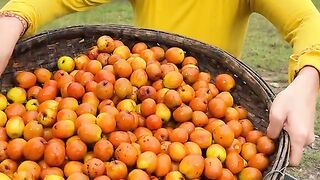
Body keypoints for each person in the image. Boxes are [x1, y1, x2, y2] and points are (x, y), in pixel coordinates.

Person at [0, 0, 319, 166]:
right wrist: (12, 21)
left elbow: (307, 20)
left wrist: (307, 80)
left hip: (208, 107)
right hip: (132, 94)